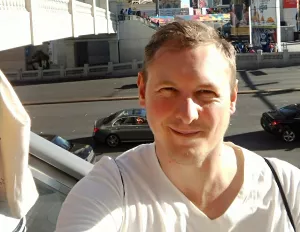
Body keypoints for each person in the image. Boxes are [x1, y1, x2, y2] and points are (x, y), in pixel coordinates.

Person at [55, 21, 300, 232]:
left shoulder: (288, 187)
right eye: (168, 90)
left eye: (205, 92)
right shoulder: (109, 189)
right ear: (142, 90)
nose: (186, 114)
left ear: (233, 98)